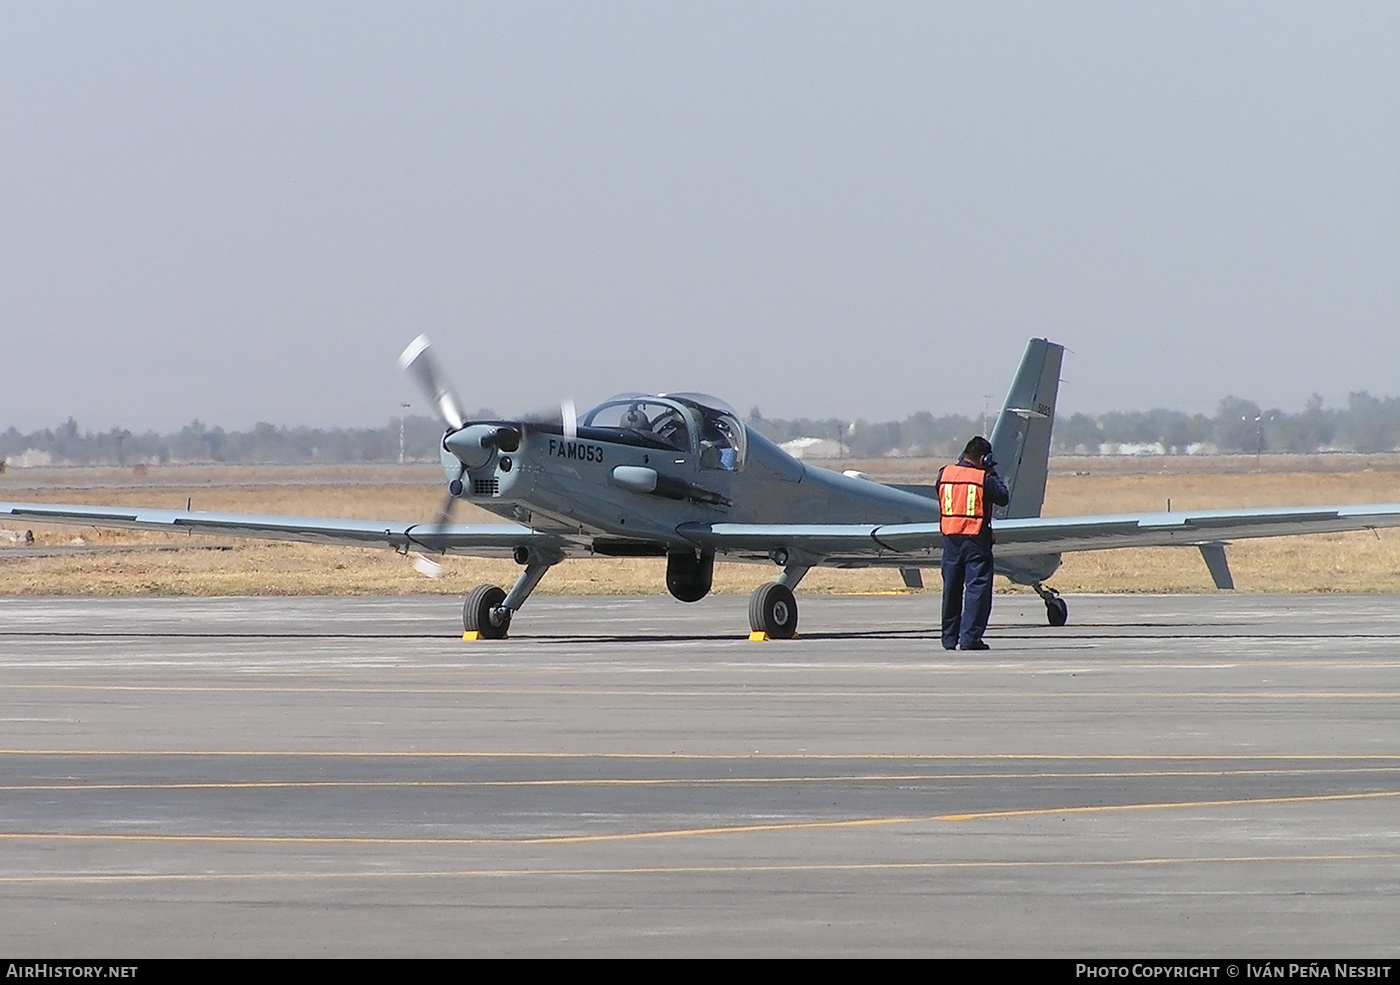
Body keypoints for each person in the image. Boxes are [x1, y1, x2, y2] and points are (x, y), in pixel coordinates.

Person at [936, 436, 1010, 651]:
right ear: (983, 458)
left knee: (951, 589)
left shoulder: (944, 474)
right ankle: (970, 639)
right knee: (977, 589)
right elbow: (1003, 496)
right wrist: (990, 472)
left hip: (950, 538)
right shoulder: (982, 478)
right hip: (975, 538)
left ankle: (949, 639)